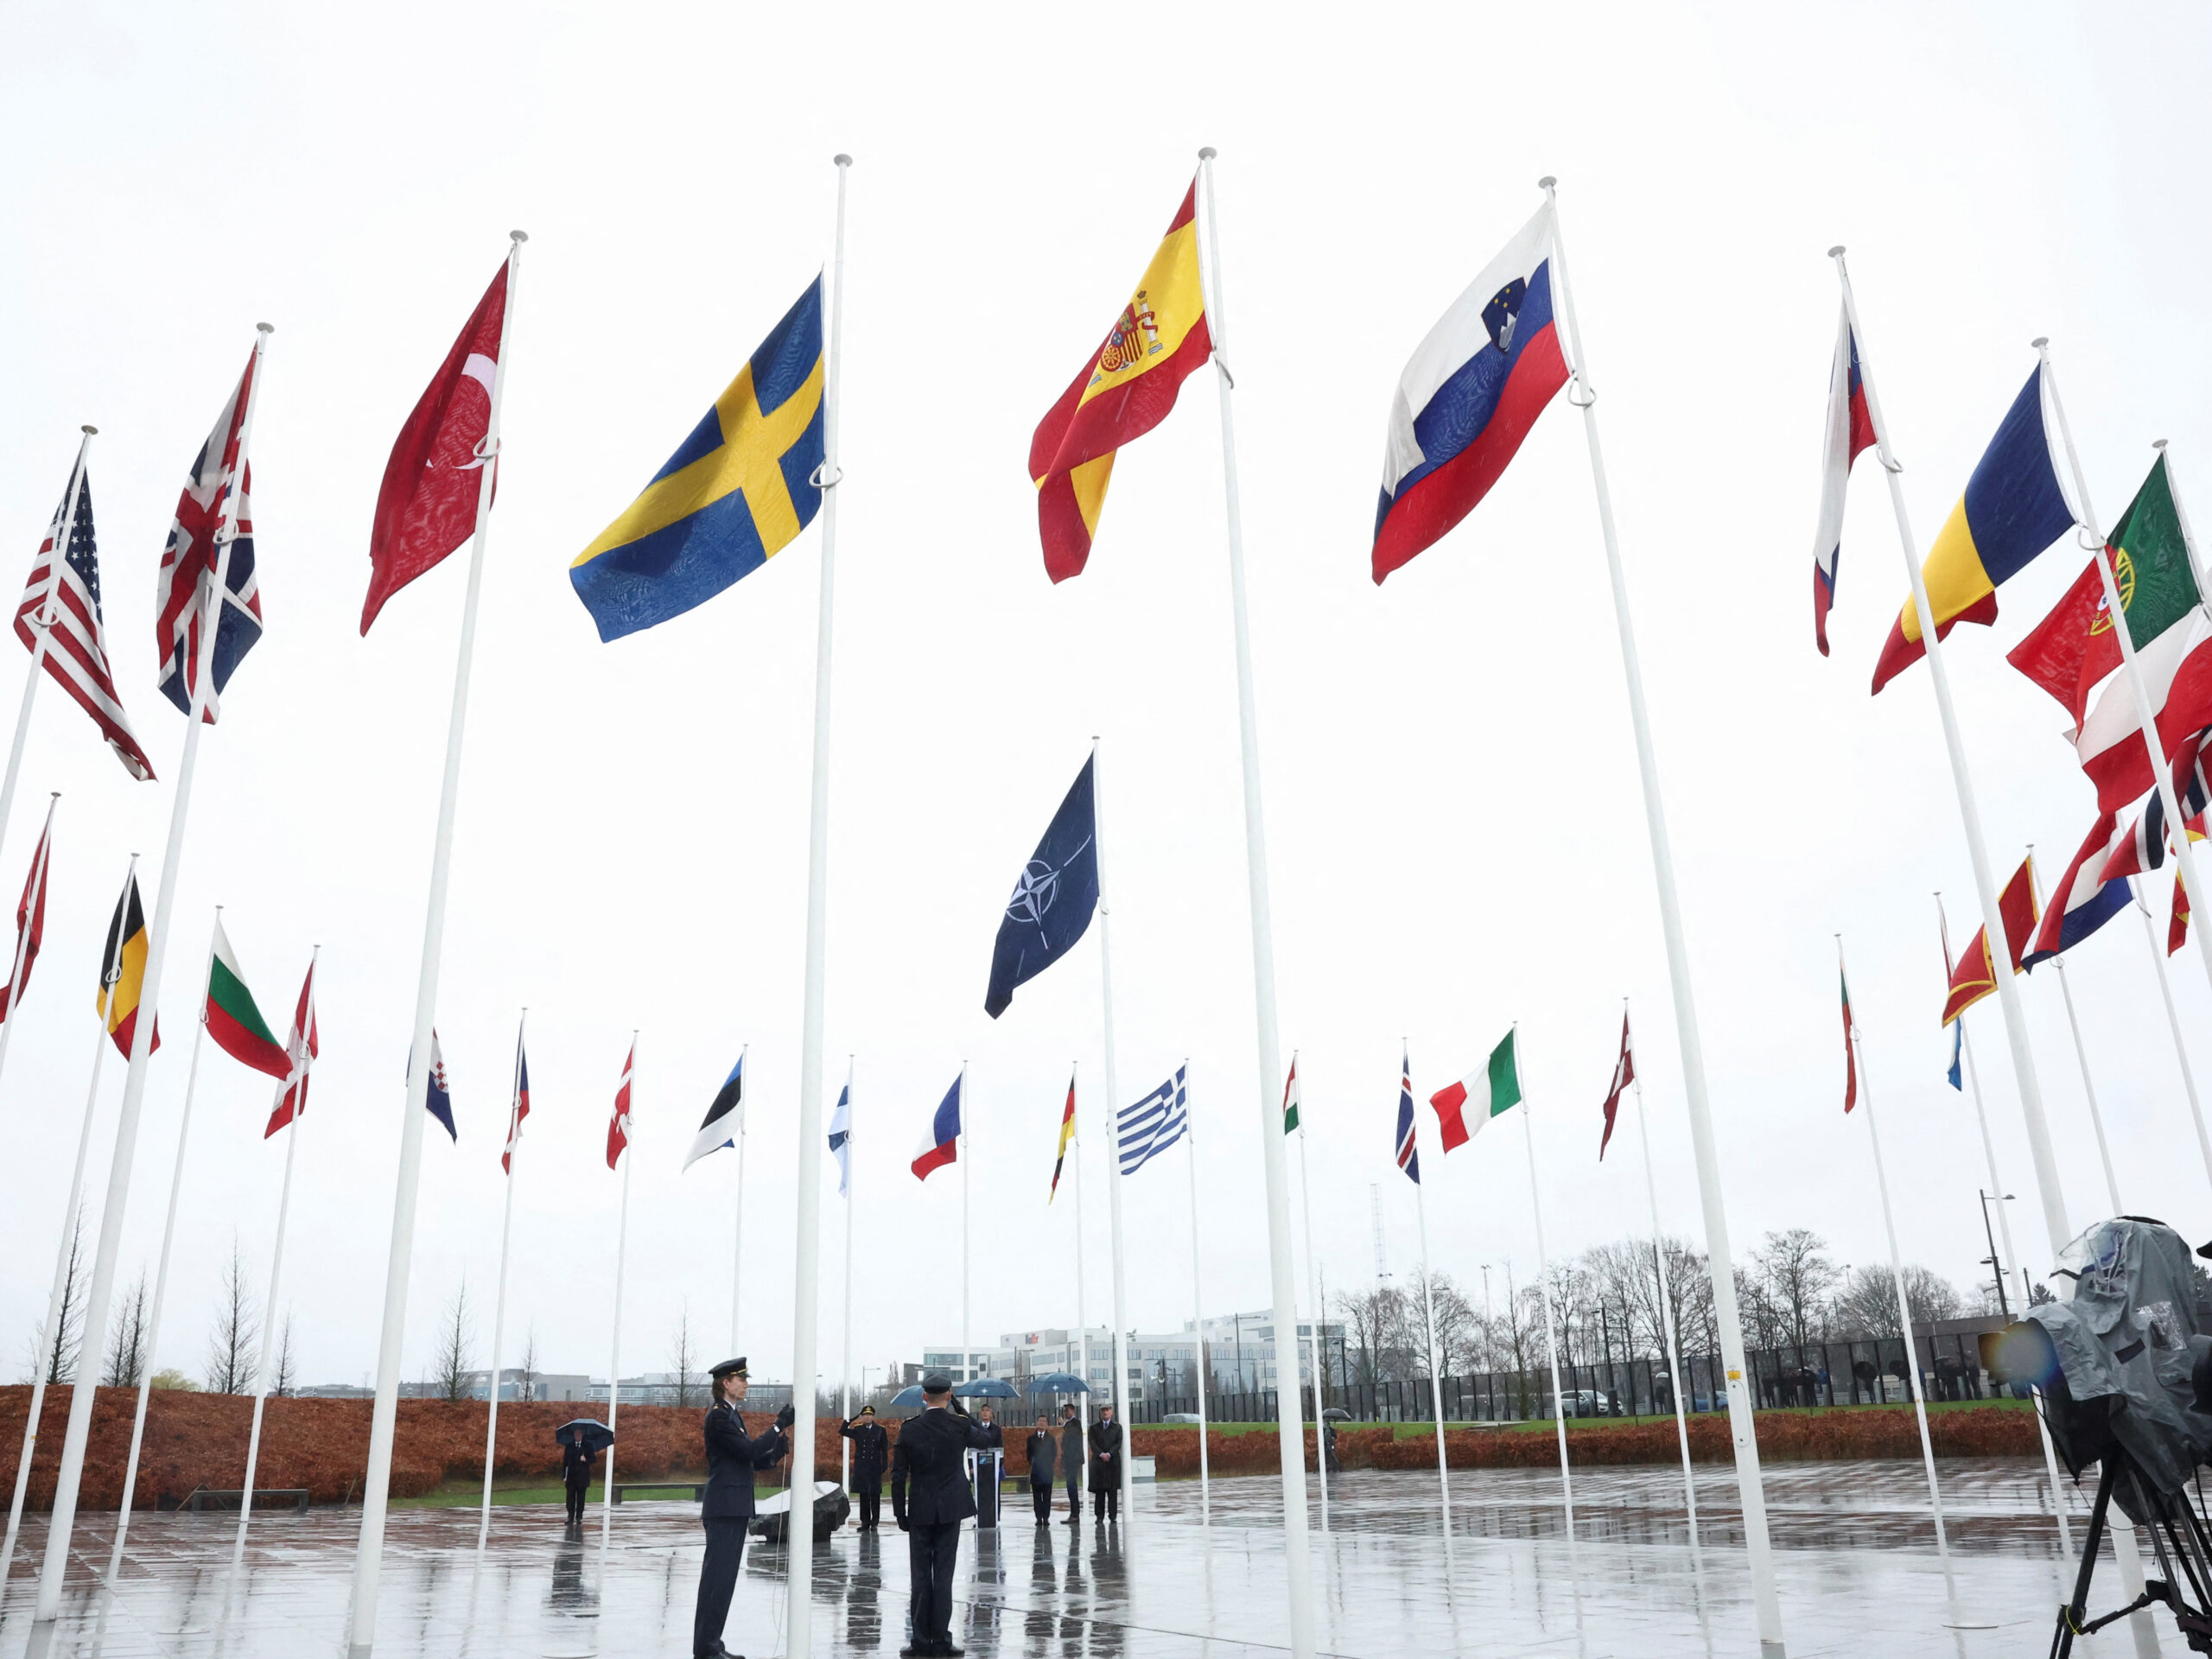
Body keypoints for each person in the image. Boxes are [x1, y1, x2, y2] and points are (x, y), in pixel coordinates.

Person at [891, 1371, 1001, 1659]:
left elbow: (898, 1475)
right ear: (949, 1396)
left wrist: (899, 1512)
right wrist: (965, 1414)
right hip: (951, 1509)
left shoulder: (909, 1428)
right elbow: (988, 1439)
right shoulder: (960, 1425)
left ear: (924, 1397)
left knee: (920, 1576)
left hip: (920, 1508)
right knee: (943, 1575)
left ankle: (919, 1640)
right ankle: (940, 1639)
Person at [694, 1357, 792, 1659]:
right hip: (724, 1507)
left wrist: (775, 1453)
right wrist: (777, 1426)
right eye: (742, 1379)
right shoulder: (720, 1417)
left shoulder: (732, 1415)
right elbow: (747, 1450)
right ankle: (707, 1647)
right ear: (726, 1383)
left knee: (724, 1582)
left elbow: (748, 1460)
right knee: (717, 1581)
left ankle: (713, 1643)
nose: (746, 1384)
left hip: (733, 1507)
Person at [841, 1404, 889, 1531]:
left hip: (874, 1467)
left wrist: (884, 1465)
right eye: (865, 1415)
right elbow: (843, 1431)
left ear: (873, 1417)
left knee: (874, 1496)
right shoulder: (858, 1430)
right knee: (864, 1497)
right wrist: (849, 1420)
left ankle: (875, 1522)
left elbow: (884, 1450)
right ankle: (865, 1522)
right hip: (862, 1467)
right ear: (862, 1417)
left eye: (870, 1415)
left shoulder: (880, 1430)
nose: (867, 1417)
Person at [1088, 1404, 1122, 1522]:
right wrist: (1101, 1454)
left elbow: (1118, 1442)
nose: (1105, 1413)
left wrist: (1110, 1454)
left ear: (1111, 1412)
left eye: (1107, 1410)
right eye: (1103, 1411)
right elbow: (1092, 1443)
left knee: (1112, 1492)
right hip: (1099, 1464)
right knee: (1099, 1492)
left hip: (1113, 1464)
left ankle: (1113, 1516)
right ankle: (1099, 1516)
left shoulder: (1117, 1428)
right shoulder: (1094, 1428)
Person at [1024, 1414, 1057, 1522]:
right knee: (1037, 1497)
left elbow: (1054, 1454)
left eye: (1044, 1421)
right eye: (1040, 1421)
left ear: (1047, 1424)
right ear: (1037, 1423)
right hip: (1036, 1472)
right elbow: (1029, 1455)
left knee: (1047, 1497)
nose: (1042, 1423)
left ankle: (1046, 1517)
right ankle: (1038, 1518)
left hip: (1047, 1472)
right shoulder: (1031, 1439)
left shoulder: (1051, 1439)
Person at [560, 1430, 595, 1526]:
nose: (577, 1436)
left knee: (581, 1498)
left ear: (582, 1435)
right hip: (571, 1477)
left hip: (582, 1477)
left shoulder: (588, 1446)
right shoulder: (569, 1446)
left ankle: (579, 1517)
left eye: (579, 1434)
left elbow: (593, 1459)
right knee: (570, 1498)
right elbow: (565, 1462)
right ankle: (570, 1516)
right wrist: (564, 1476)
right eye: (575, 1434)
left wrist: (586, 1460)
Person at [1058, 1402, 1084, 1524]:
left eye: (1067, 1411)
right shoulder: (1070, 1425)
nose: (1065, 1413)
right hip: (1069, 1459)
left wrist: (1063, 1424)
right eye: (1064, 1411)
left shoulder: (1075, 1423)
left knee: (1072, 1487)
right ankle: (1074, 1513)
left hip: (1074, 1459)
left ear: (1073, 1411)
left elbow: (1072, 1434)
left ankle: (1075, 1514)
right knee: (1070, 1486)